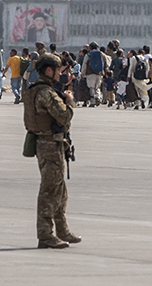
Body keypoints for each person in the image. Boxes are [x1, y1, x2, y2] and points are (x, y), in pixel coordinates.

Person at [22, 53, 81, 248]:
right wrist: (69, 101)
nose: (60, 74)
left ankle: (62, 230)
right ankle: (46, 235)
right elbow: (64, 116)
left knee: (60, 190)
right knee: (49, 191)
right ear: (49, 70)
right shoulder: (46, 93)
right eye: (58, 70)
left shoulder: (35, 89)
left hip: (47, 144)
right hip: (49, 146)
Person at [82, 42, 105, 106]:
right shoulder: (101, 55)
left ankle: (93, 102)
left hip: (90, 73)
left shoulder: (88, 55)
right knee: (97, 87)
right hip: (99, 73)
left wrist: (83, 73)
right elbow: (104, 64)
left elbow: (84, 65)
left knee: (91, 87)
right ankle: (98, 97)